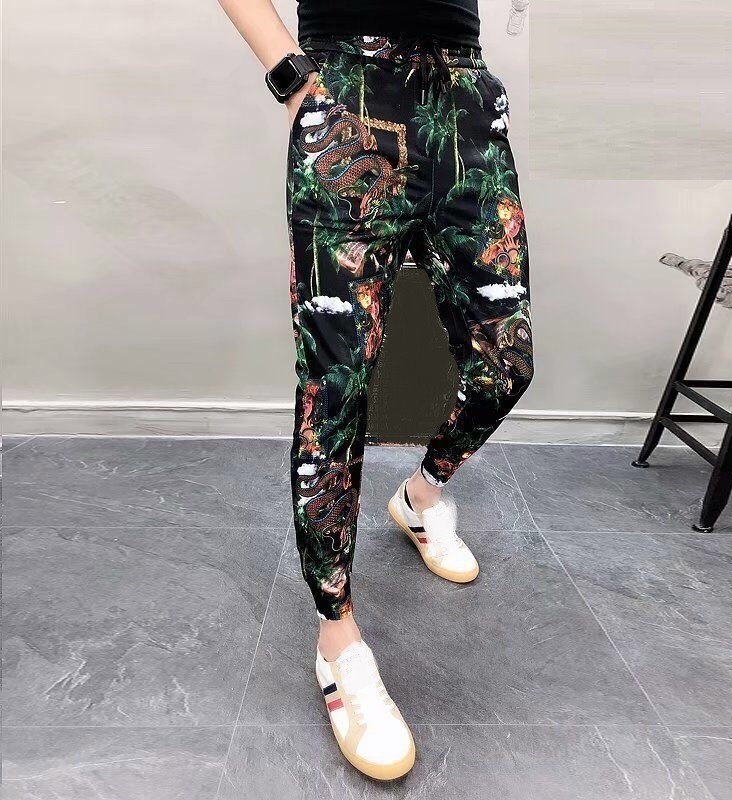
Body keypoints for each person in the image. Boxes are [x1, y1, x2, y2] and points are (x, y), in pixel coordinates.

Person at [218, 0, 533, 780]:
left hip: (464, 100)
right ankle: (337, 638)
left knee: (506, 363)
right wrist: (296, 81)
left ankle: (421, 496)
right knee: (336, 392)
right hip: (346, 95)